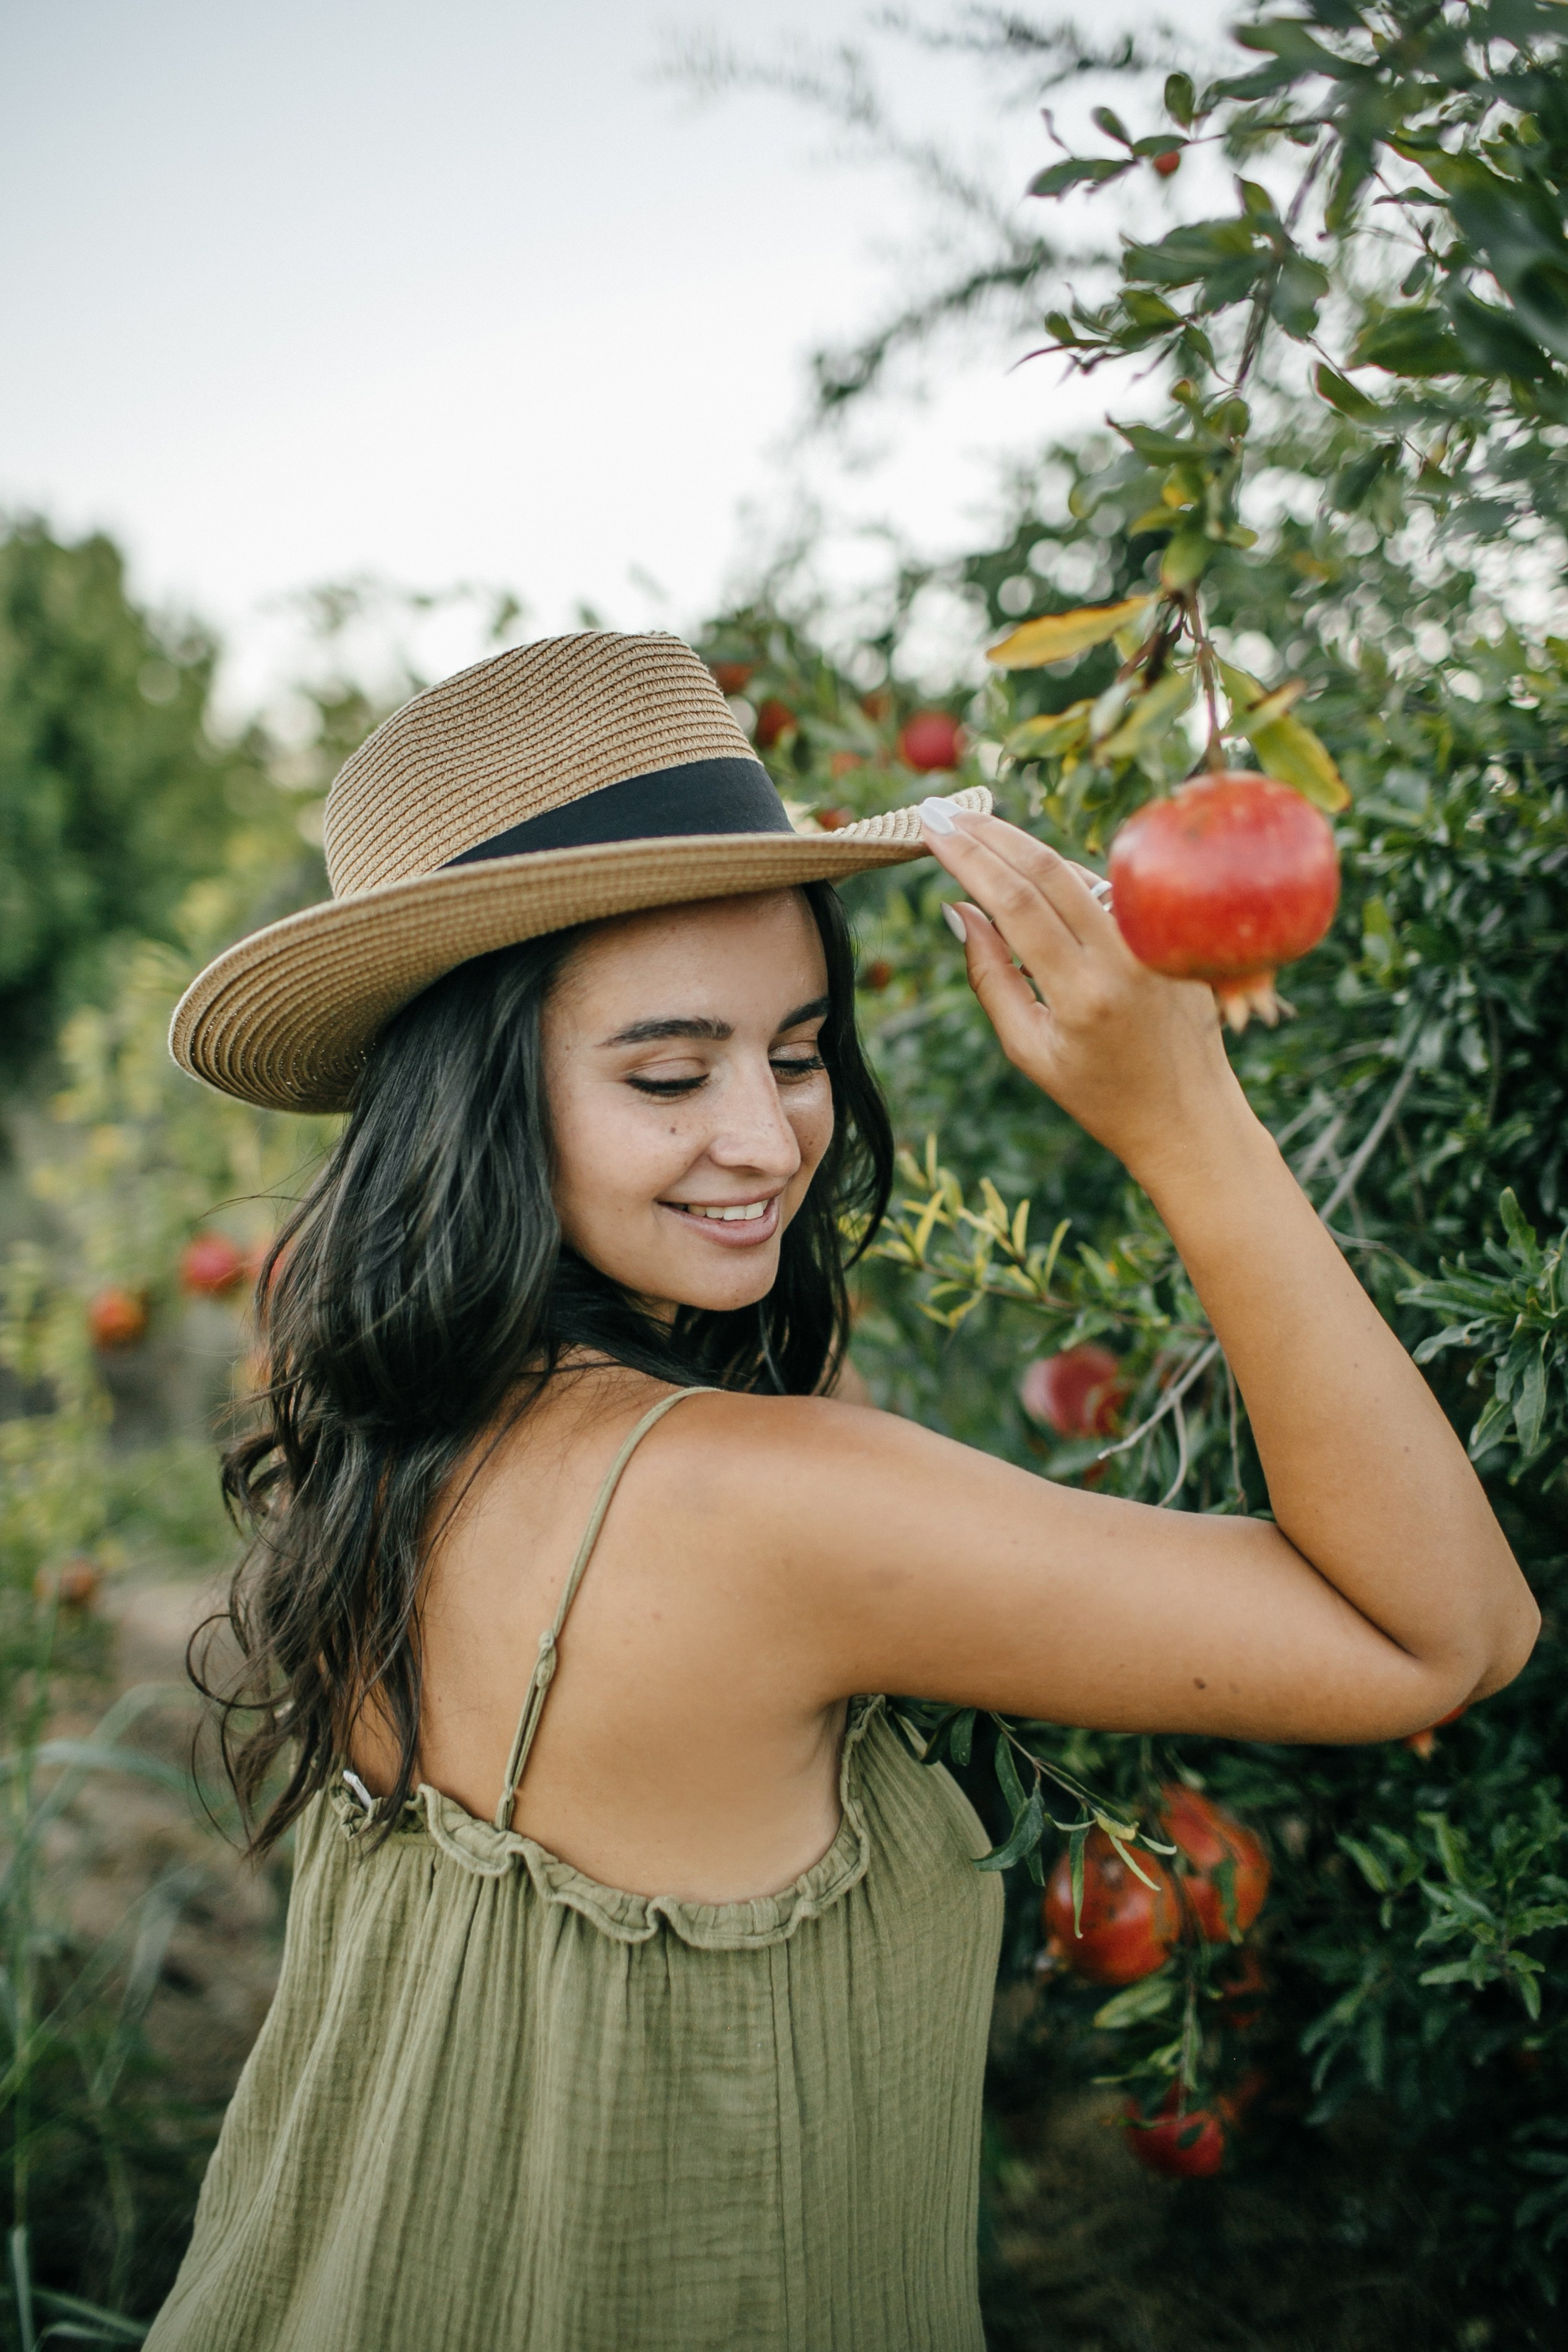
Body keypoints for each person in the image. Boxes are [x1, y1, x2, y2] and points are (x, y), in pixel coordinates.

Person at [147, 631, 1537, 2352]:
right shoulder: (757, 1509)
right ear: (479, 1102)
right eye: (669, 1073)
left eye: (798, 1050)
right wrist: (1188, 1121)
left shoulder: (397, 1435)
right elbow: (1447, 1631)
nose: (769, 1137)